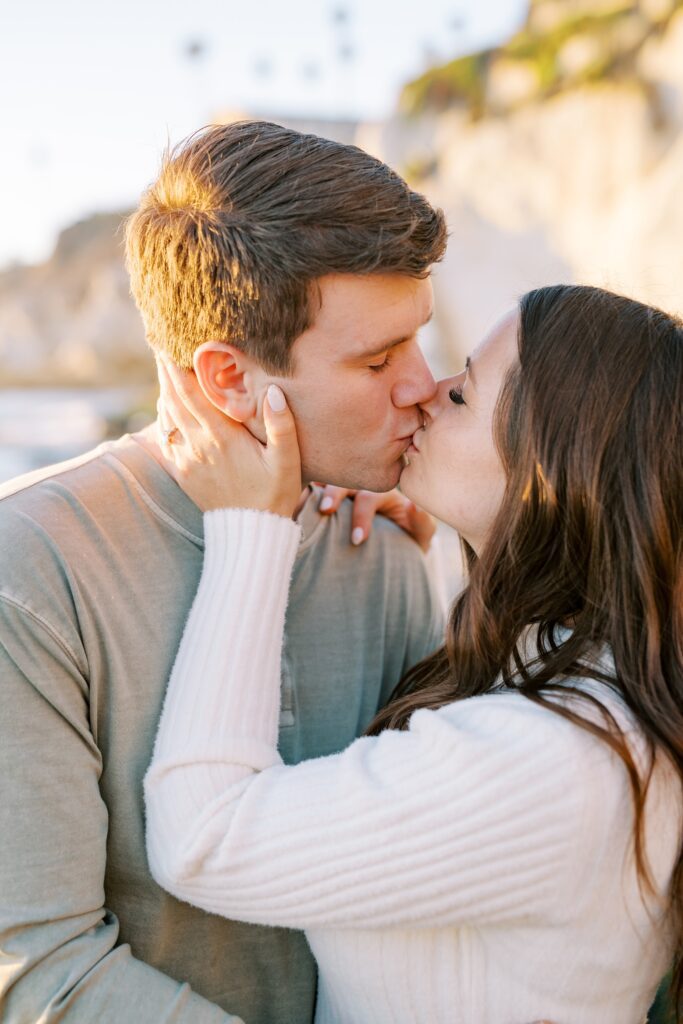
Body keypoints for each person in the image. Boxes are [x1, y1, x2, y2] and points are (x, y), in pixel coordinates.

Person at [0, 122, 448, 1024]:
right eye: (376, 361)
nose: (425, 388)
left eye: (417, 342)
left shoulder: (387, 551)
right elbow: (42, 973)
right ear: (230, 379)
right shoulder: (31, 570)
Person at [145, 284, 683, 1024]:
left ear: (552, 467)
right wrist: (438, 535)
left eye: (463, 394)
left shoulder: (552, 761)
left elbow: (203, 839)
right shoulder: (599, 686)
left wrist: (249, 525)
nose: (427, 392)